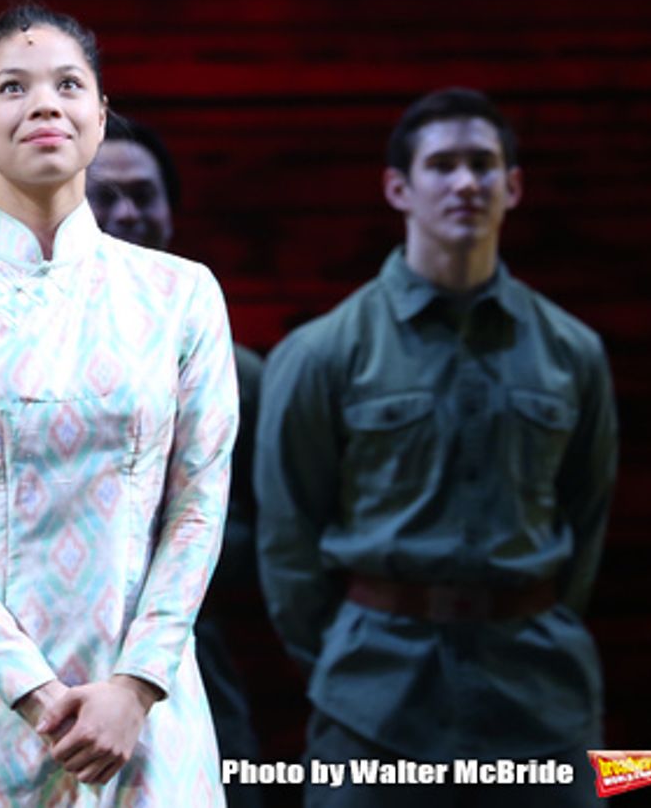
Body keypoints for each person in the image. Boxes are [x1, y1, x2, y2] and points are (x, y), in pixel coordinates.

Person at [0, 3, 238, 805]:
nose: (44, 104)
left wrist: (133, 686)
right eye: (11, 87)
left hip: (142, 702)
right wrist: (33, 688)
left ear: (100, 118)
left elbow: (199, 504)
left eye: (69, 84)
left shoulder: (179, 294)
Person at [255, 87, 617, 806]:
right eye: (442, 165)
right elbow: (287, 538)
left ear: (512, 186)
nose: (465, 183)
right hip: (375, 700)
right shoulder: (324, 351)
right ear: (399, 187)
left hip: (540, 695)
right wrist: (340, 655)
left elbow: (587, 513)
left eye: (483, 165)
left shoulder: (572, 352)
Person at [87, 116, 264, 807]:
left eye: (143, 194)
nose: (127, 212)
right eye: (105, 196)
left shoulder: (242, 373)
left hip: (199, 653)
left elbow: (278, 532)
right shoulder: (13, 362)